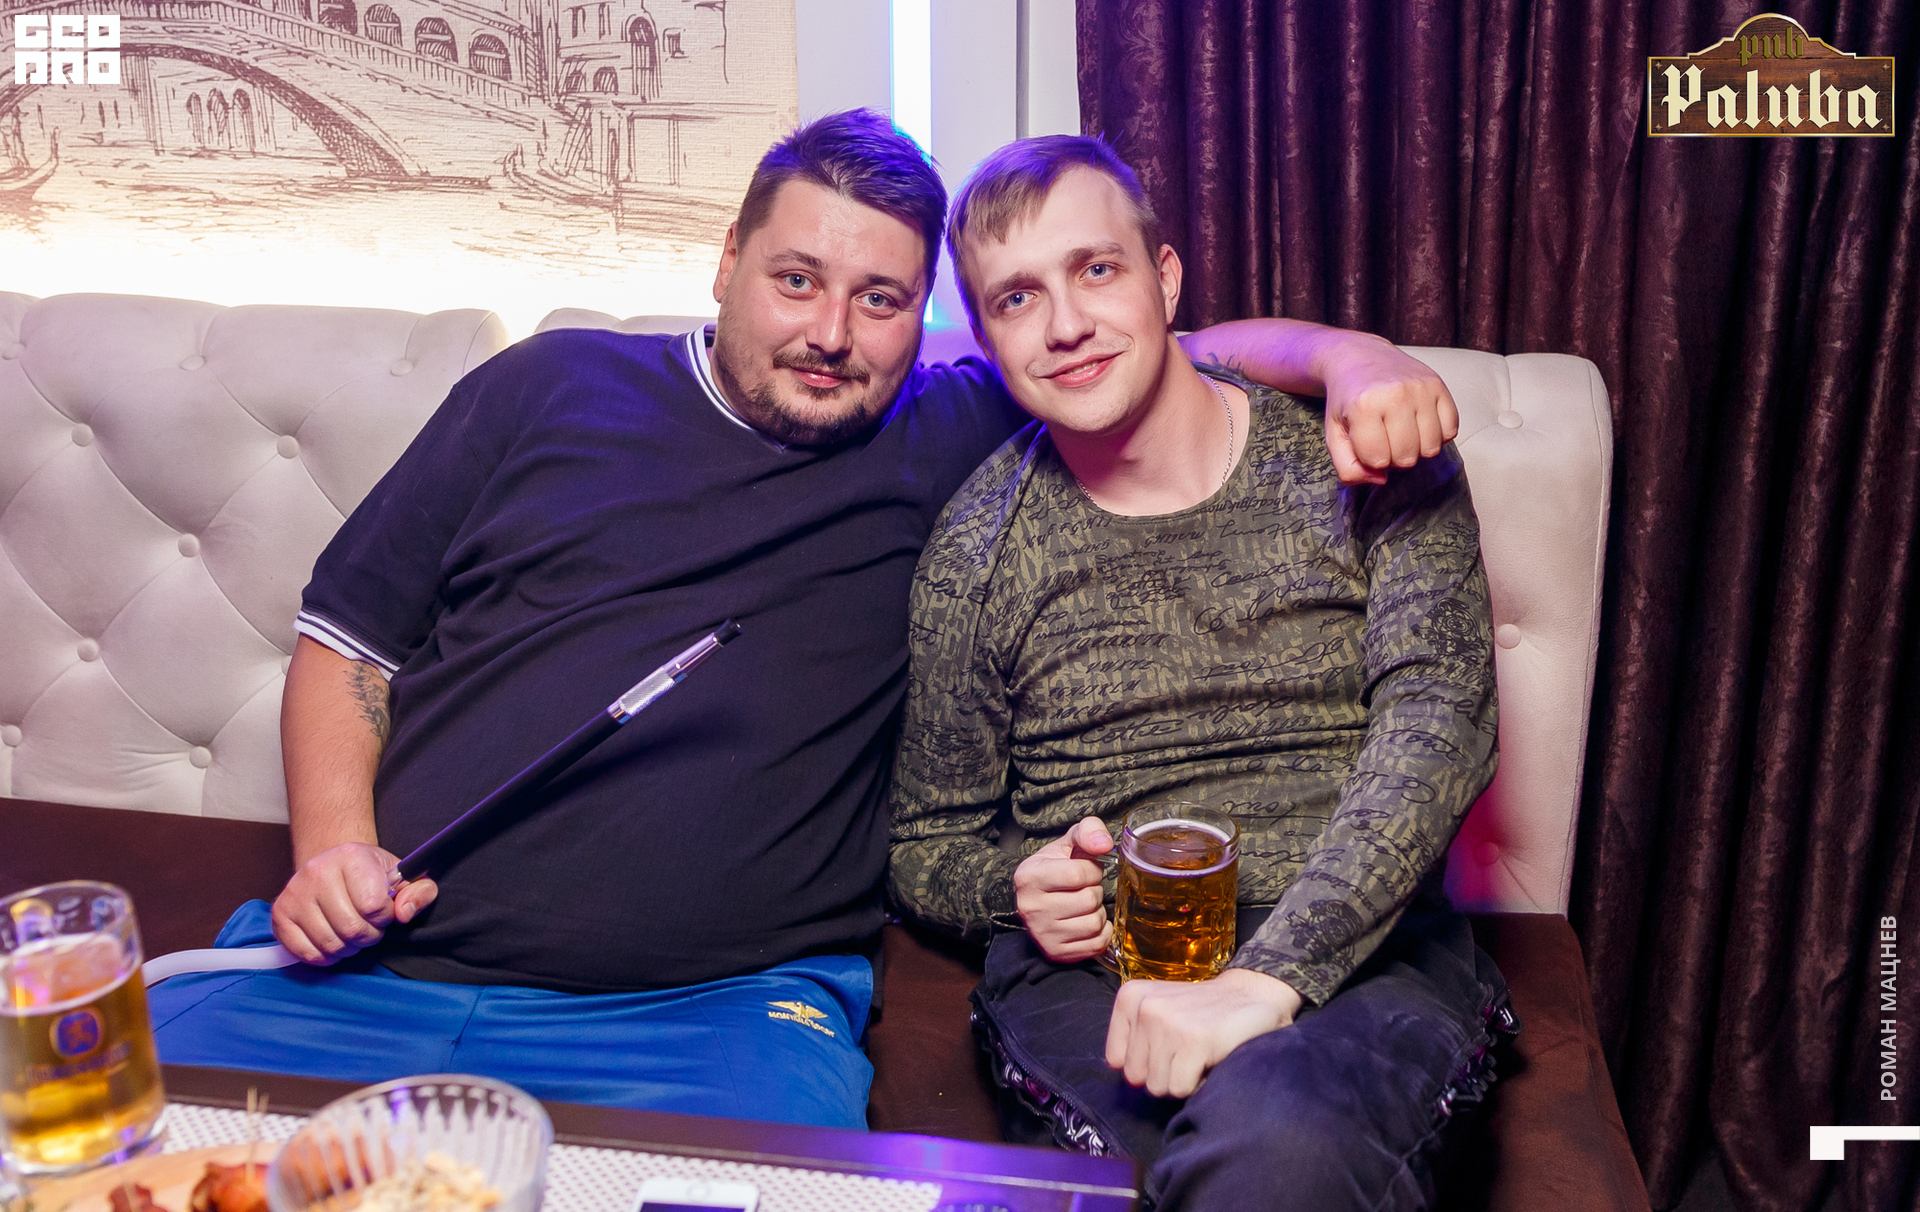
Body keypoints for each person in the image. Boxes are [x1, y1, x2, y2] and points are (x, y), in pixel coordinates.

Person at [149, 110, 1459, 1130]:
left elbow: (1161, 348)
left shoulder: (949, 430)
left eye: (880, 299)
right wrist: (331, 849)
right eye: (796, 279)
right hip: (364, 970)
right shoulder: (547, 385)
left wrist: (1358, 359)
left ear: (922, 317)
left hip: (714, 1019)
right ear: (726, 262)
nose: (832, 333)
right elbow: (350, 645)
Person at [887, 133, 1512, 1212]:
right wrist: (1013, 887)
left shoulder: (1365, 451)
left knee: (1281, 1150)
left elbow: (1440, 722)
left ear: (1165, 279)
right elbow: (927, 847)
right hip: (1098, 975)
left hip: (1364, 946)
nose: (1065, 323)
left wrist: (1270, 978)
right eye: (1017, 297)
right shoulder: (978, 549)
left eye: (1097, 269)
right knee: (1198, 1196)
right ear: (984, 338)